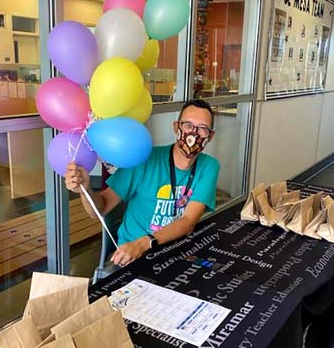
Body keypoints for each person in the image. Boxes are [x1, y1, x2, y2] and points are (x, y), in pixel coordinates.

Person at [65, 99, 220, 266]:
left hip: (175, 250)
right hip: (133, 255)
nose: (194, 134)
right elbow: (98, 209)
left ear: (210, 136)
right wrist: (85, 189)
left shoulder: (209, 166)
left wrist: (145, 243)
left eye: (202, 129)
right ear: (176, 127)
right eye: (188, 125)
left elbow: (188, 221)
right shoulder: (145, 159)